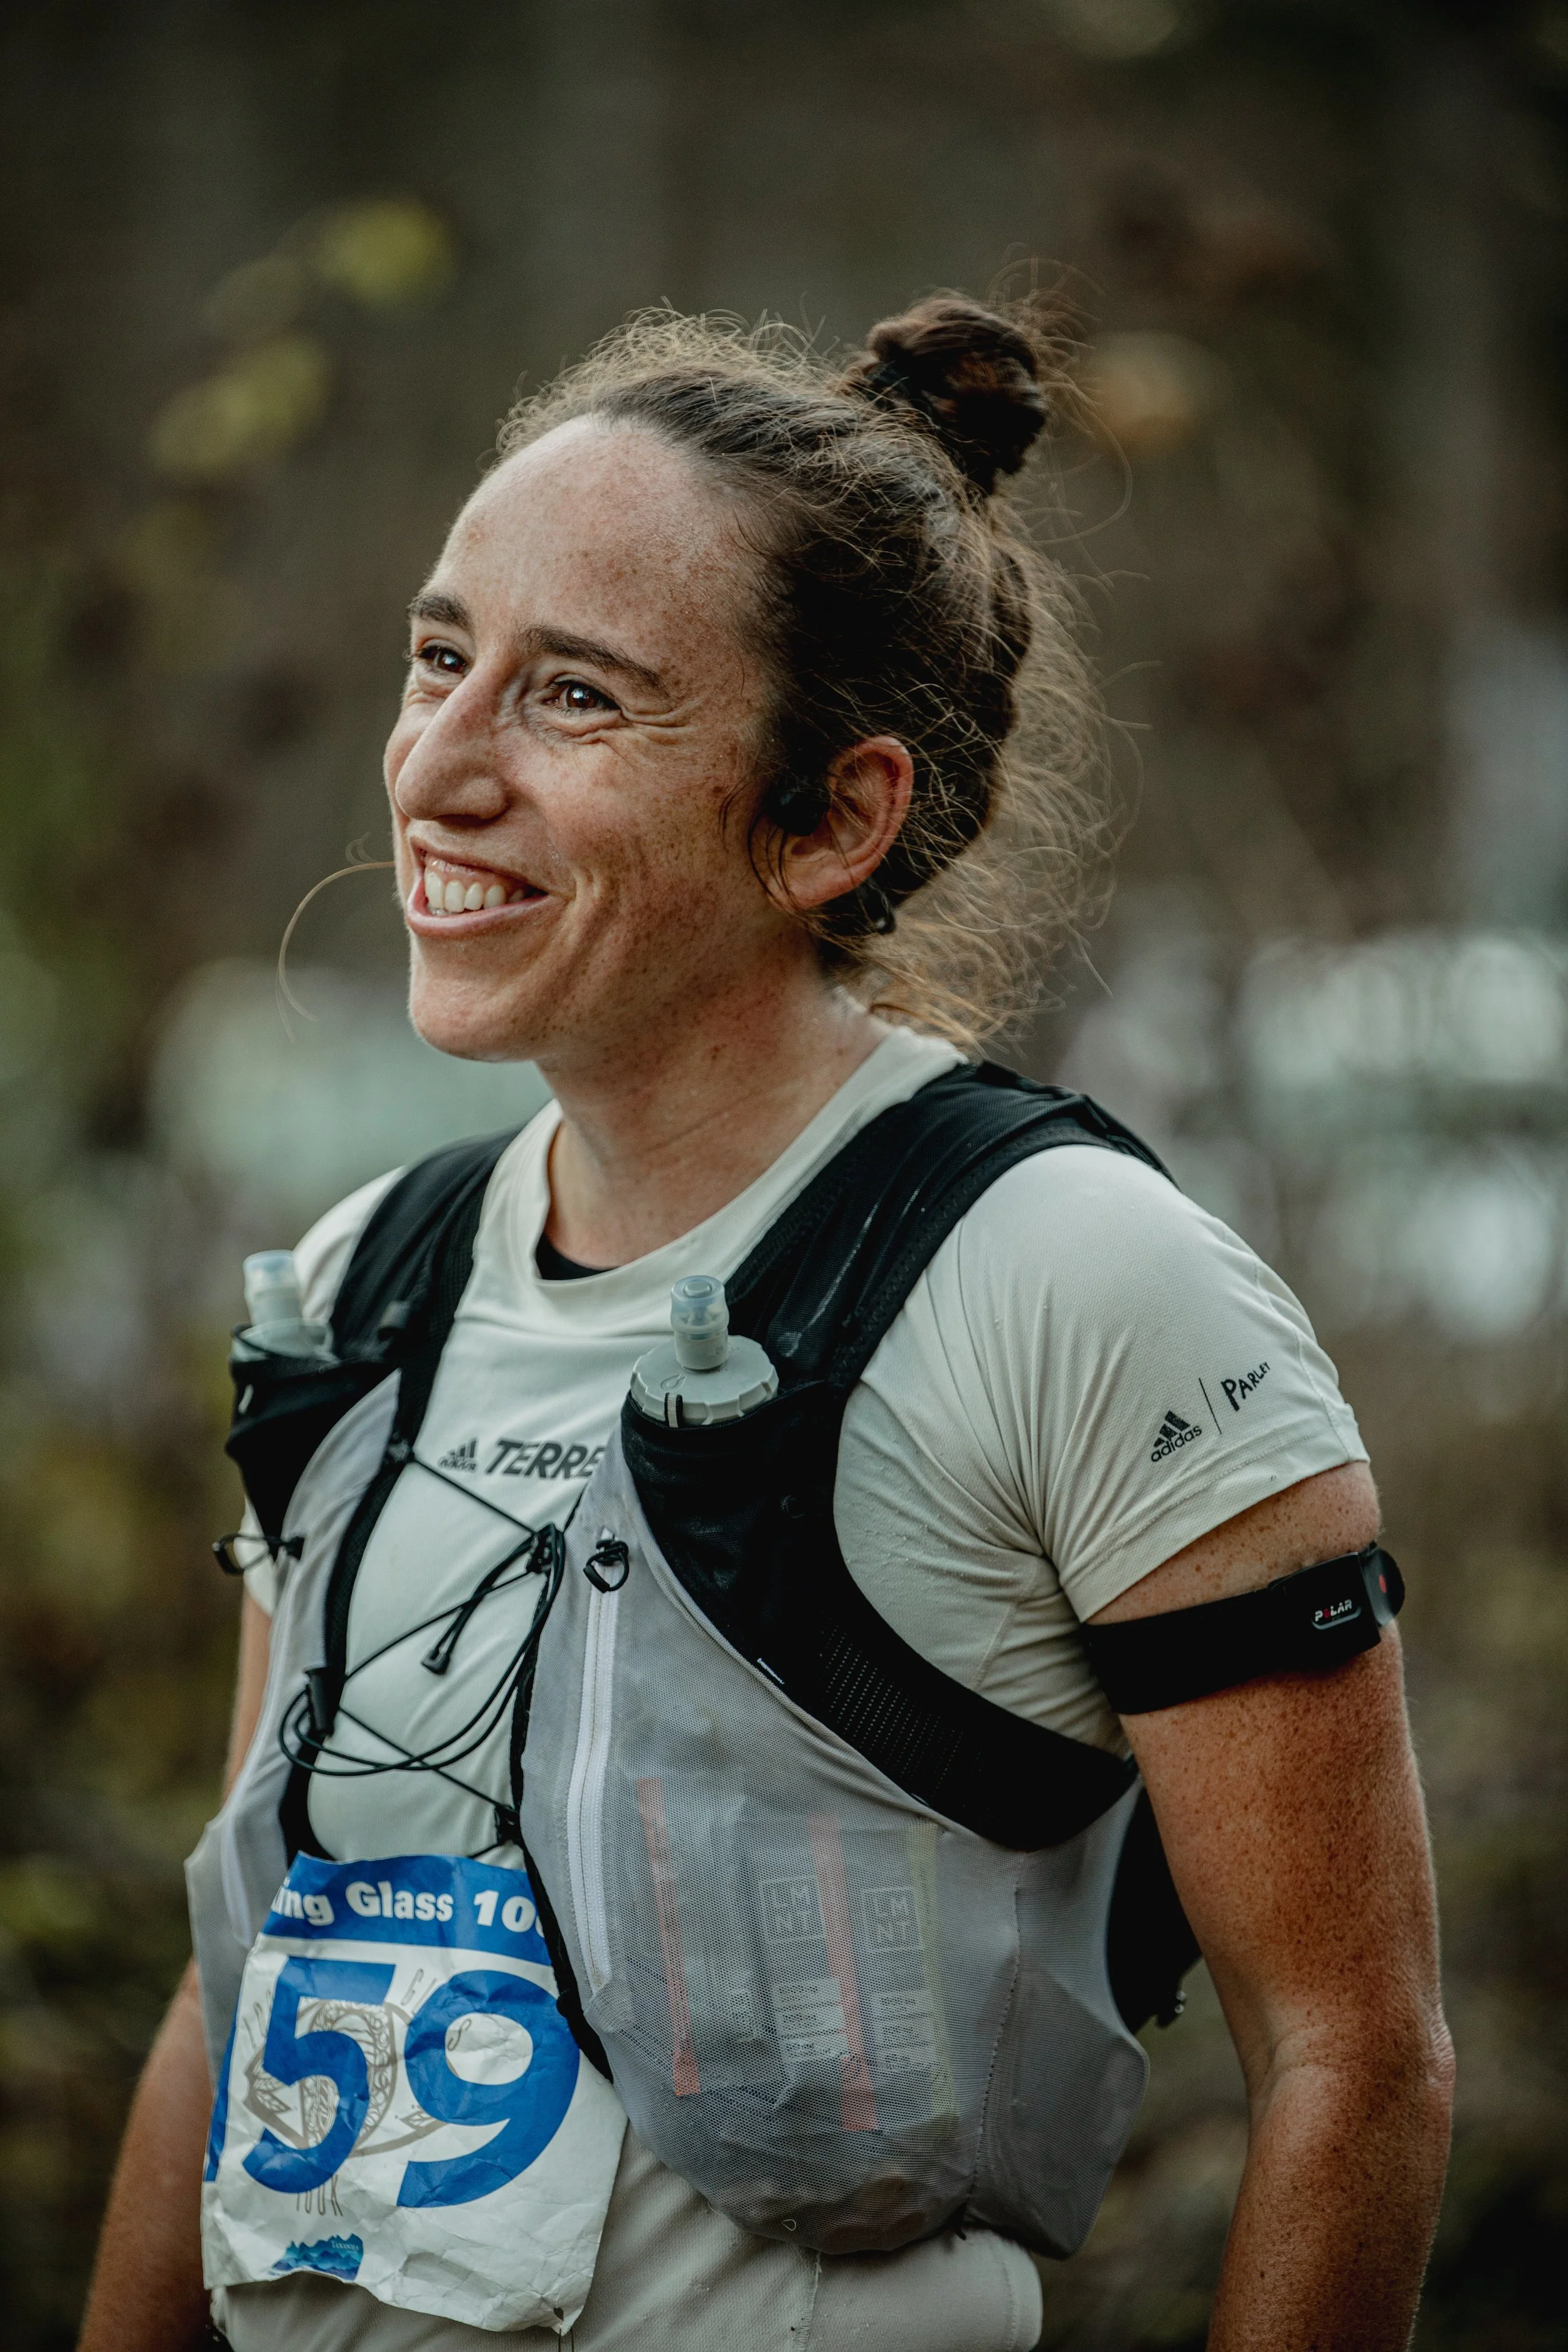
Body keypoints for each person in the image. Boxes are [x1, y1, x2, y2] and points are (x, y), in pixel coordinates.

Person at [78, 294, 1453, 2352]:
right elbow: (249, 1972)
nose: (437, 772)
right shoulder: (365, 1280)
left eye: (571, 698)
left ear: (829, 816)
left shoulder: (1074, 1280)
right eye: (438, 657)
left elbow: (1352, 2057)